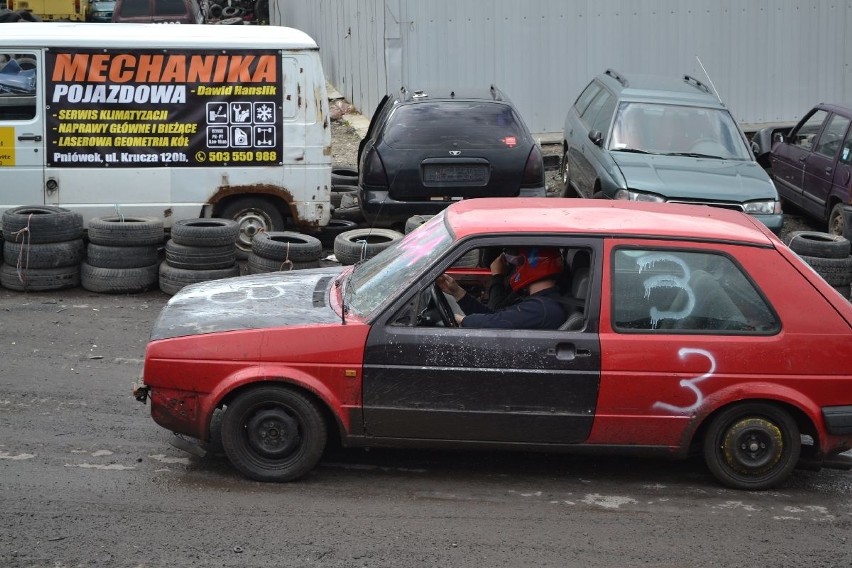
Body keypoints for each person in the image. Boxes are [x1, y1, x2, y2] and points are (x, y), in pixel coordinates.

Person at [437, 247, 567, 329]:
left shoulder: (541, 309)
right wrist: (457, 292)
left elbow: (496, 322)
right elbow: (496, 315)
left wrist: (463, 320)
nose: (514, 269)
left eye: (516, 265)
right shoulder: (539, 302)